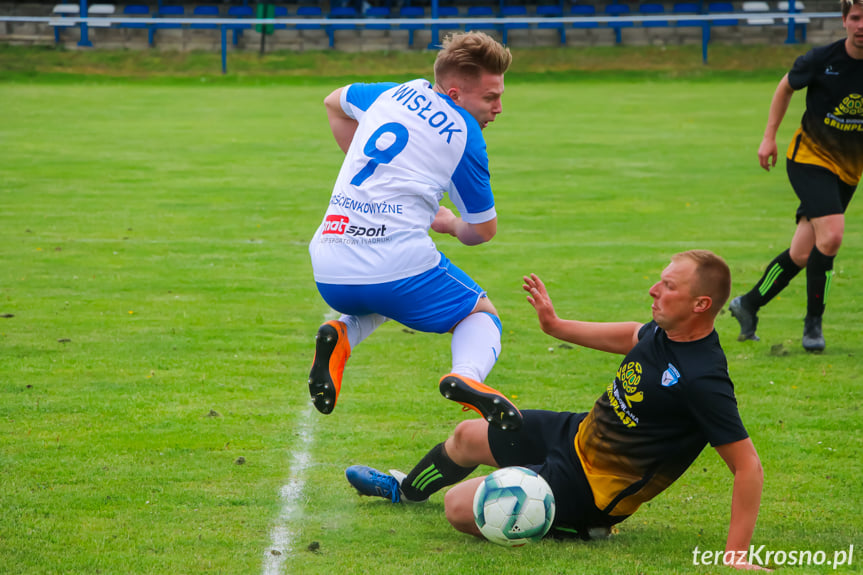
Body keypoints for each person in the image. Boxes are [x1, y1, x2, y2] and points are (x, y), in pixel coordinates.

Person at [345, 251, 768, 570]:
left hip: (591, 489)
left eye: (669, 287)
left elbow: (747, 466)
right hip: (577, 435)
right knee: (466, 436)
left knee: (459, 509)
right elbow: (631, 336)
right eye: (659, 281)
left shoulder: (704, 380)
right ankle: (406, 490)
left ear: (701, 305)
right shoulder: (664, 330)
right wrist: (556, 325)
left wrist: (734, 555)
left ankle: (579, 527)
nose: (654, 291)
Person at [307, 31, 522, 431]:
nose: (499, 108)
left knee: (387, 291)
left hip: (327, 265)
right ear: (456, 95)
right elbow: (483, 229)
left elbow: (333, 102)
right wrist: (450, 224)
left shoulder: (392, 94)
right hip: (395, 267)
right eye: (490, 98)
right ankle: (467, 375)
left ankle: (340, 333)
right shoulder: (464, 135)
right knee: (481, 313)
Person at [729, 0, 863, 352]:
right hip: (810, 158)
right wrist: (769, 136)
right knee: (831, 237)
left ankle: (749, 304)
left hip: (849, 169)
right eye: (856, 18)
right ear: (844, 21)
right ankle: (813, 326)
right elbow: (786, 86)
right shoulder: (823, 59)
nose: (862, 25)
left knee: (803, 253)